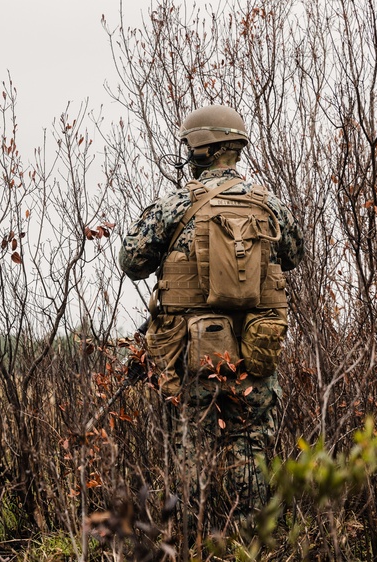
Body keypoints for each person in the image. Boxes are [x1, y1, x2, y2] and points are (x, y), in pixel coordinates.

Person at [119, 105, 304, 529]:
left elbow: (131, 261)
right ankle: (252, 545)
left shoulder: (173, 206)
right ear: (236, 149)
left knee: (193, 446)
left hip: (191, 357)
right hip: (257, 353)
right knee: (252, 448)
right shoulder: (271, 206)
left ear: (198, 150)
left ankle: (194, 542)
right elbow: (295, 255)